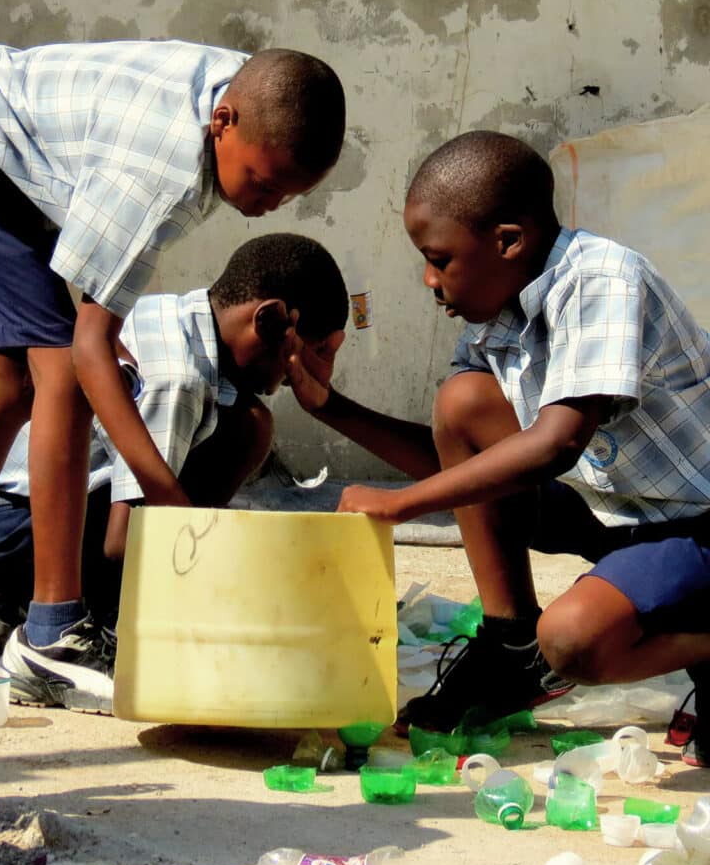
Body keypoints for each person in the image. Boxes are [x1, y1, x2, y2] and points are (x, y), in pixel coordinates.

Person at [0, 38, 346, 706]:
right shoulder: (165, 174)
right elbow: (88, 345)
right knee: (63, 377)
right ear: (223, 123)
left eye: (288, 194)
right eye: (263, 181)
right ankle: (54, 631)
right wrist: (168, 498)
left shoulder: (250, 100)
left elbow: (94, 332)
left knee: (14, 383)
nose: (270, 203)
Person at [288, 130, 710, 766]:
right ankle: (510, 645)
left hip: (693, 523)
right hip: (610, 510)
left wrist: (398, 506)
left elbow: (555, 446)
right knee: (463, 403)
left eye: (439, 258)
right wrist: (331, 408)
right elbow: (463, 467)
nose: (429, 281)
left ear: (508, 241)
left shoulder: (602, 280)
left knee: (573, 643)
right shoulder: (497, 313)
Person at [0, 233, 350, 714]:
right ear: (271, 319)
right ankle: (93, 623)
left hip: (5, 518)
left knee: (249, 423)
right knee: (240, 441)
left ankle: (13, 601)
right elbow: (121, 542)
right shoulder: (181, 380)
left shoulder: (175, 315)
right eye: (320, 350)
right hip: (20, 530)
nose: (323, 372)